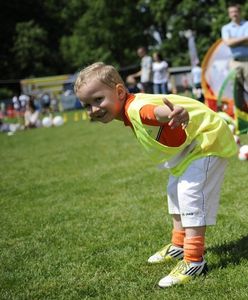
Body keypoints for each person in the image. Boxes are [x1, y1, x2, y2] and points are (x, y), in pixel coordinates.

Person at [74, 62, 237, 288]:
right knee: (174, 190)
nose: (93, 109)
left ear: (120, 92)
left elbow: (154, 113)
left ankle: (194, 259)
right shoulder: (130, 108)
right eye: (87, 105)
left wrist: (171, 113)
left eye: (98, 100)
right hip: (190, 148)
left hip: (206, 141)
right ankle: (179, 246)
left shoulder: (134, 109)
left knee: (190, 193)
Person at [221, 3, 248, 112]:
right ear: (229, 14)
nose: (234, 14)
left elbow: (232, 42)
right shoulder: (226, 28)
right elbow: (228, 43)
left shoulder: (247, 24)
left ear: (239, 12)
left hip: (247, 61)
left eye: (235, 11)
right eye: (231, 12)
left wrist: (234, 41)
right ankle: (242, 114)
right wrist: (244, 39)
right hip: (234, 62)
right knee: (237, 89)